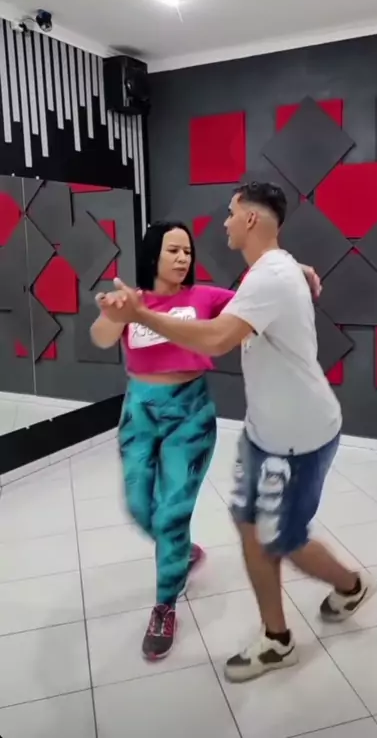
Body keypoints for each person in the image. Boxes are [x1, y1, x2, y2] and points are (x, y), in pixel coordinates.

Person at [98, 183, 376, 683]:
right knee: (246, 525)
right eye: (173, 249)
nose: (223, 222)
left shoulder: (264, 278)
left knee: (278, 537)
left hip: (296, 437)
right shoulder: (267, 272)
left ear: (250, 219)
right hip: (263, 432)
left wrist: (142, 315)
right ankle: (277, 633)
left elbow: (218, 338)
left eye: (230, 213)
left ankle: (344, 590)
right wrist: (127, 311)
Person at [91, 216, 320, 663]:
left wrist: (298, 270)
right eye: (173, 250)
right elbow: (101, 338)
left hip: (190, 414)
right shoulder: (133, 301)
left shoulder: (207, 297)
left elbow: (262, 297)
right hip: (139, 411)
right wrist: (112, 315)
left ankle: (164, 605)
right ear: (153, 254)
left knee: (172, 512)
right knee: (139, 506)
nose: (183, 258)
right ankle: (182, 551)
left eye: (187, 251)